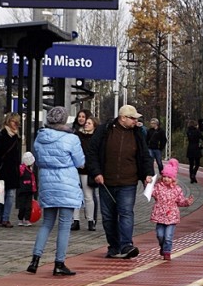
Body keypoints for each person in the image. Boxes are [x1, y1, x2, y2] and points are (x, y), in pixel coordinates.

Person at [86, 104, 154, 259]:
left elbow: (145, 155)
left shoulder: (138, 134)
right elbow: (92, 152)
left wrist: (148, 173)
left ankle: (126, 245)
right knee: (108, 216)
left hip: (128, 182)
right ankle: (114, 246)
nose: (136, 121)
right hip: (106, 181)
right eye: (133, 118)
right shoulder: (105, 130)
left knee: (126, 213)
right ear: (123, 118)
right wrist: (96, 172)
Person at [26, 106, 85, 276]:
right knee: (65, 225)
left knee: (47, 223)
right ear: (64, 120)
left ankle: (35, 260)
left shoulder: (40, 137)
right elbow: (80, 161)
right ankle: (59, 263)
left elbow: (37, 158)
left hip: (47, 182)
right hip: (66, 183)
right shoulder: (71, 139)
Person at [150, 158, 194, 260]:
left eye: (168, 177)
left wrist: (186, 202)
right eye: (164, 176)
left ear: (173, 178)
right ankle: (162, 246)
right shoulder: (158, 187)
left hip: (171, 216)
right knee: (160, 235)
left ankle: (167, 252)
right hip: (159, 215)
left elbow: (180, 201)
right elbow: (151, 193)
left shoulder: (177, 189)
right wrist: (148, 184)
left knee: (168, 236)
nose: (166, 179)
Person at [0, 112, 22, 228]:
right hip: (3, 168)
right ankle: (3, 218)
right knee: (2, 195)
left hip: (13, 169)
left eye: (18, 122)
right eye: (14, 121)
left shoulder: (17, 136)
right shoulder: (0, 135)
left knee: (10, 194)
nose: (16, 124)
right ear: (8, 121)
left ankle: (5, 218)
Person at [72, 116, 100, 231]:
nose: (86, 124)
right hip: (76, 169)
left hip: (87, 171)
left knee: (88, 196)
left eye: (89, 123)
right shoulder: (78, 136)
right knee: (75, 196)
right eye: (86, 123)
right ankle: (75, 220)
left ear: (94, 125)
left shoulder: (96, 138)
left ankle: (90, 220)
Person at [17, 151, 37, 226]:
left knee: (28, 206)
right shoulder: (22, 168)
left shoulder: (30, 169)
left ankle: (27, 219)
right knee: (22, 206)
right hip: (23, 190)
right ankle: (21, 218)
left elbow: (33, 180)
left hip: (29, 190)